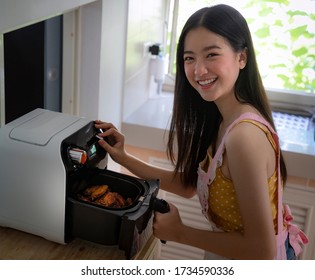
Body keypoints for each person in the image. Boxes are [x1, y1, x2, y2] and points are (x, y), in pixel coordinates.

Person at [95, 4, 308, 259]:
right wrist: (123, 157)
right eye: (189, 58)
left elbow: (261, 250)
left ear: (242, 57)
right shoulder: (224, 118)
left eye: (211, 55)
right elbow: (189, 185)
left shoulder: (244, 137)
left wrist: (180, 233)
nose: (198, 70)